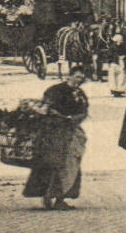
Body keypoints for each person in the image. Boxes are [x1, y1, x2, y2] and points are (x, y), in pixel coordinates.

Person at [24, 66, 89, 209]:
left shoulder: (80, 93)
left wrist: (76, 118)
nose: (79, 81)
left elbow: (84, 110)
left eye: (82, 79)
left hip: (71, 131)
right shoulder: (56, 90)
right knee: (55, 163)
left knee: (70, 163)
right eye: (77, 77)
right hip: (55, 131)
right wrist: (61, 117)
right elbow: (46, 108)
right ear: (70, 76)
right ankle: (49, 195)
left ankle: (60, 198)